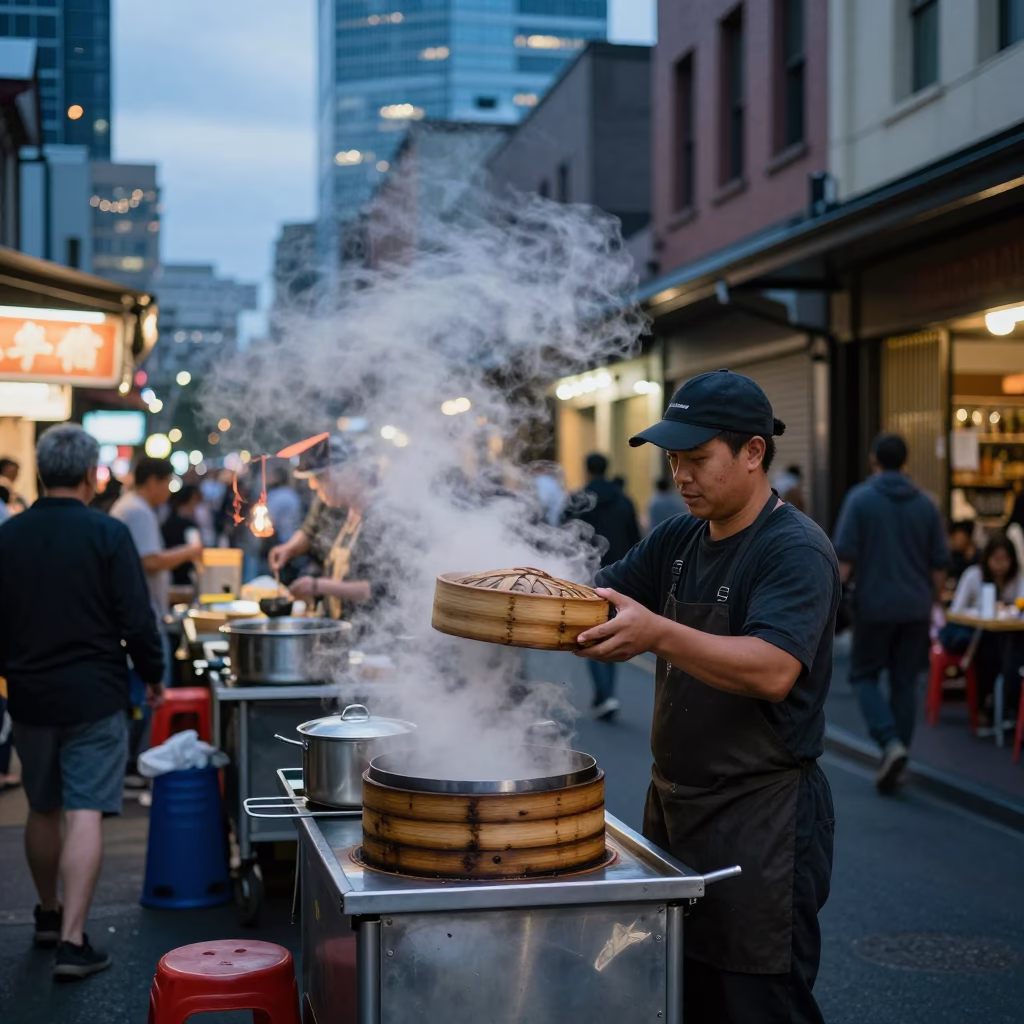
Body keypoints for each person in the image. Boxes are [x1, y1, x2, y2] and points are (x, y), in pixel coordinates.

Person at [574, 369, 838, 1024]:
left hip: (763, 823)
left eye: (697, 459)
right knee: (677, 994)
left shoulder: (794, 549)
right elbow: (592, 600)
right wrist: (501, 597)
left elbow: (773, 669)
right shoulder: (679, 538)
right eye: (673, 461)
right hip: (676, 813)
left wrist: (658, 632)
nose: (681, 476)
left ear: (754, 452)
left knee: (758, 1003)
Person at [0, 424, 164, 980]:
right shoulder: (107, 533)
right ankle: (73, 941)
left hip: (29, 694)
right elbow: (136, 619)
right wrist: (153, 675)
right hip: (94, 692)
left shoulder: (9, 535)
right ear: (93, 476)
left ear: (42, 473)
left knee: (41, 806)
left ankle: (47, 916)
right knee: (85, 809)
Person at [833, 434, 948, 793]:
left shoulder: (861, 500)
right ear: (906, 462)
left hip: (875, 605)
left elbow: (845, 559)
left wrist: (831, 601)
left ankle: (888, 742)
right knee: (905, 681)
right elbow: (939, 564)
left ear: (874, 461)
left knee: (864, 675)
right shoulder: (926, 505)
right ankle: (900, 750)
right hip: (915, 607)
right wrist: (935, 602)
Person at [268, 435, 385, 621]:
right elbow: (310, 529)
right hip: (340, 630)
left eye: (321, 478)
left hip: (369, 633)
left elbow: (378, 588)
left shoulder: (382, 518)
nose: (313, 485)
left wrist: (317, 586)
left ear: (349, 473)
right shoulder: (342, 509)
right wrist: (289, 548)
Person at [111, 458, 203, 683]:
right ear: (153, 482)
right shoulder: (137, 510)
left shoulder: (134, 506)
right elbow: (150, 561)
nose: (169, 491)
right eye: (167, 483)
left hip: (142, 617)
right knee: (154, 692)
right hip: (145, 621)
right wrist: (190, 551)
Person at [565, 452, 641, 719]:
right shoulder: (623, 500)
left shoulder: (578, 499)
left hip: (587, 574)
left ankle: (605, 694)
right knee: (614, 628)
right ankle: (607, 694)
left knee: (591, 632)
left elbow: (565, 536)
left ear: (587, 470)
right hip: (621, 573)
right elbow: (637, 539)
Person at [947, 532, 1024, 725]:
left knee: (1014, 649)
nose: (1000, 565)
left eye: (1005, 559)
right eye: (996, 559)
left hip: (1010, 633)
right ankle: (992, 706)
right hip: (976, 636)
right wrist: (979, 611)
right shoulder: (974, 575)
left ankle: (1005, 705)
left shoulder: (1018, 578)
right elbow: (956, 610)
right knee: (990, 649)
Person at [161, 484, 203, 586]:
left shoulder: (167, 521)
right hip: (183, 577)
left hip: (166, 575)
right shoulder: (189, 525)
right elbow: (196, 549)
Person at [946, 520, 977, 585]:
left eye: (959, 539)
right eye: (954, 539)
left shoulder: (978, 556)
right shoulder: (952, 556)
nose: (955, 542)